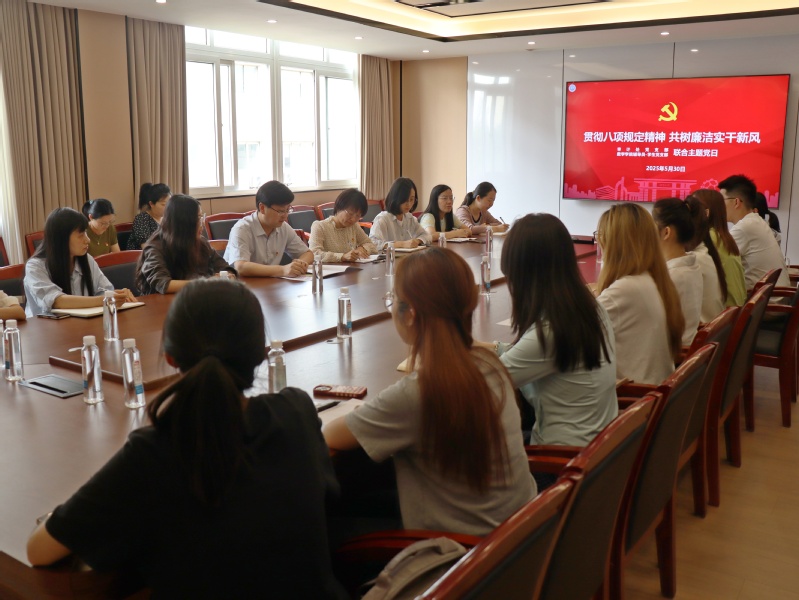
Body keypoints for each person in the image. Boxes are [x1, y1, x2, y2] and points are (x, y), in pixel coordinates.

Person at [27, 279, 347, 599]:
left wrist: (62, 512)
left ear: (169, 356)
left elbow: (39, 550)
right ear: (260, 353)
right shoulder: (296, 411)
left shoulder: (151, 452)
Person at [324, 248, 535, 537]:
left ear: (410, 314)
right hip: (517, 541)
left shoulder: (420, 392)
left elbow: (331, 435)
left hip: (458, 556)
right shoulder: (492, 365)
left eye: (393, 299)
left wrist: (368, 411)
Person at [490, 214, 618, 452]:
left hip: (560, 461)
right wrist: (491, 348)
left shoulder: (551, 331)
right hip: (597, 451)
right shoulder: (588, 306)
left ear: (523, 273)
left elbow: (483, 384)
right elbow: (530, 356)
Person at [594, 203, 683, 385]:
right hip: (654, 391)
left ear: (615, 244)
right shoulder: (650, 279)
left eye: (601, 236)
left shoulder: (623, 291)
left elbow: (571, 339)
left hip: (634, 396)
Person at [24, 208, 136, 317]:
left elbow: (104, 290)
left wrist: (117, 295)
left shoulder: (86, 259)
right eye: (81, 235)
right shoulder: (35, 266)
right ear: (61, 238)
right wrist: (105, 299)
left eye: (86, 233)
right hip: (44, 327)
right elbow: (56, 301)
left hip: (81, 325)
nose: (87, 240)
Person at [136, 195, 236, 295]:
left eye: (201, 217)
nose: (202, 223)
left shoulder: (201, 242)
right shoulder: (155, 247)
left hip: (195, 298)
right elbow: (163, 284)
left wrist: (228, 275)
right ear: (183, 222)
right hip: (165, 302)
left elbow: (223, 267)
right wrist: (206, 282)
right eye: (197, 218)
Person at [224, 180, 314, 276]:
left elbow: (308, 253)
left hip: (271, 283)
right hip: (239, 283)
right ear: (262, 208)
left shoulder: (283, 227)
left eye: (288, 210)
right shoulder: (242, 229)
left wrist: (299, 265)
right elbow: (240, 267)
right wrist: (283, 270)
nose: (285, 215)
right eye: (280, 211)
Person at [719, 174, 789, 290]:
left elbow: (717, 260)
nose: (719, 206)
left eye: (722, 200)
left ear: (736, 202)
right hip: (772, 295)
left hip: (765, 298)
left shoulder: (744, 228)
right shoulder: (756, 221)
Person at [652, 198, 703, 346]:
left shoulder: (672, 276)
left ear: (666, 232)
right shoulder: (692, 265)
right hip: (683, 348)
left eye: (651, 224)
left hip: (674, 353)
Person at [691, 188, 746, 307]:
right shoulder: (722, 236)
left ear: (706, 213)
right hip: (735, 309)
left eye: (692, 210)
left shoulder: (708, 239)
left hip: (726, 311)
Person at [685, 194, 727, 323]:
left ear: (667, 232)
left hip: (703, 331)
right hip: (714, 327)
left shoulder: (691, 262)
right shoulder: (704, 251)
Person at [309, 189, 377, 262]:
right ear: (339, 207)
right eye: (350, 214)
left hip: (353, 267)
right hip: (330, 268)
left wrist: (362, 248)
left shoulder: (354, 226)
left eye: (358, 216)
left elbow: (371, 244)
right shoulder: (320, 226)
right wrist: (342, 257)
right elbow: (314, 253)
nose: (353, 219)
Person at [369, 178, 431, 249]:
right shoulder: (383, 219)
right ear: (395, 198)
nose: (409, 204)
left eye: (411, 199)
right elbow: (372, 243)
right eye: (405, 200)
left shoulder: (410, 218)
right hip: (389, 256)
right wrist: (401, 244)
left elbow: (427, 236)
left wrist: (417, 241)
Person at [127, 183, 170, 250]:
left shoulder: (169, 219)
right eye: (163, 204)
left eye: (169, 204)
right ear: (151, 204)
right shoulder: (141, 219)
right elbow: (147, 249)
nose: (168, 207)